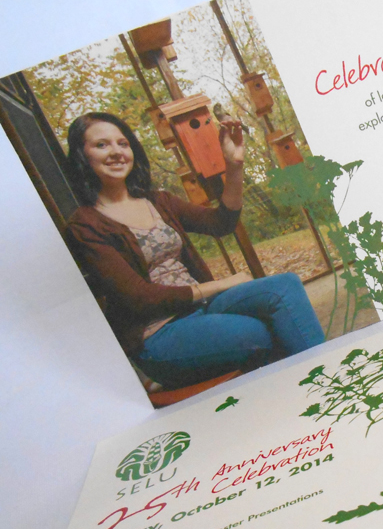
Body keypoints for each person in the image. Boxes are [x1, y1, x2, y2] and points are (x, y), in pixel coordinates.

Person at [64, 112, 324, 390]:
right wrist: (221, 284)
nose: (116, 152)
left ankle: (325, 381)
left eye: (123, 143)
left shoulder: (158, 201)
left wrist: (234, 166)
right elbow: (139, 297)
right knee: (258, 331)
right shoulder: (85, 224)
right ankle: (319, 386)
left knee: (285, 286)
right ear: (82, 156)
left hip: (203, 308)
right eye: (101, 145)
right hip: (159, 335)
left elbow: (221, 223)